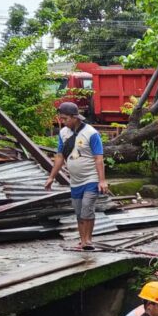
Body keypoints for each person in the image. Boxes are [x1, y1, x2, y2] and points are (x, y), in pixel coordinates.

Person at [45, 102, 108, 250]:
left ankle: (88, 241)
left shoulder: (91, 133)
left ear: (75, 117)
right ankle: (82, 241)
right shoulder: (63, 133)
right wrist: (51, 177)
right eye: (61, 118)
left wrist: (102, 181)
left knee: (87, 208)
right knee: (79, 211)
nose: (63, 121)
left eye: (65, 118)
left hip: (91, 178)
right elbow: (60, 156)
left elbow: (98, 158)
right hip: (75, 181)